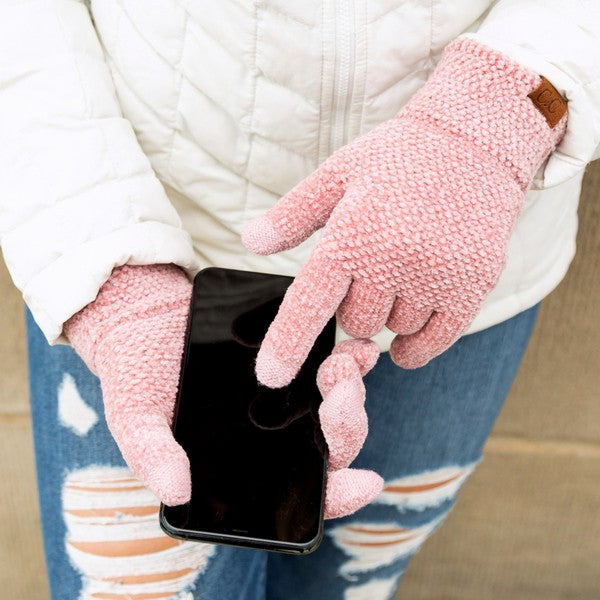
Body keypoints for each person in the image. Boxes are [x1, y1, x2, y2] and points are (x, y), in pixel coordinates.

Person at [1, 1, 599, 598]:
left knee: (347, 584)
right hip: (137, 233)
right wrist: (111, 276)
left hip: (443, 260)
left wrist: (496, 116)